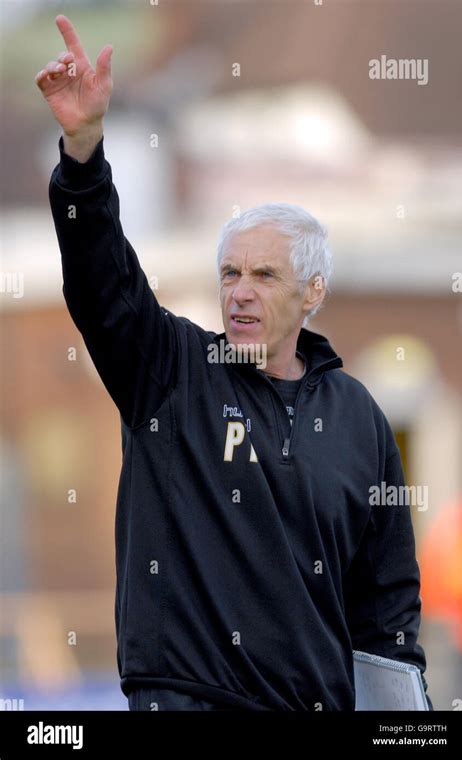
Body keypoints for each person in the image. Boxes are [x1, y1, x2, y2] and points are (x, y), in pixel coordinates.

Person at [36, 15, 433, 712]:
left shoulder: (358, 418)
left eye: (263, 276)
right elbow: (102, 281)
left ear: (313, 292)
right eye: (228, 274)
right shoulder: (170, 372)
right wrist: (83, 150)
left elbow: (386, 610)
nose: (239, 292)